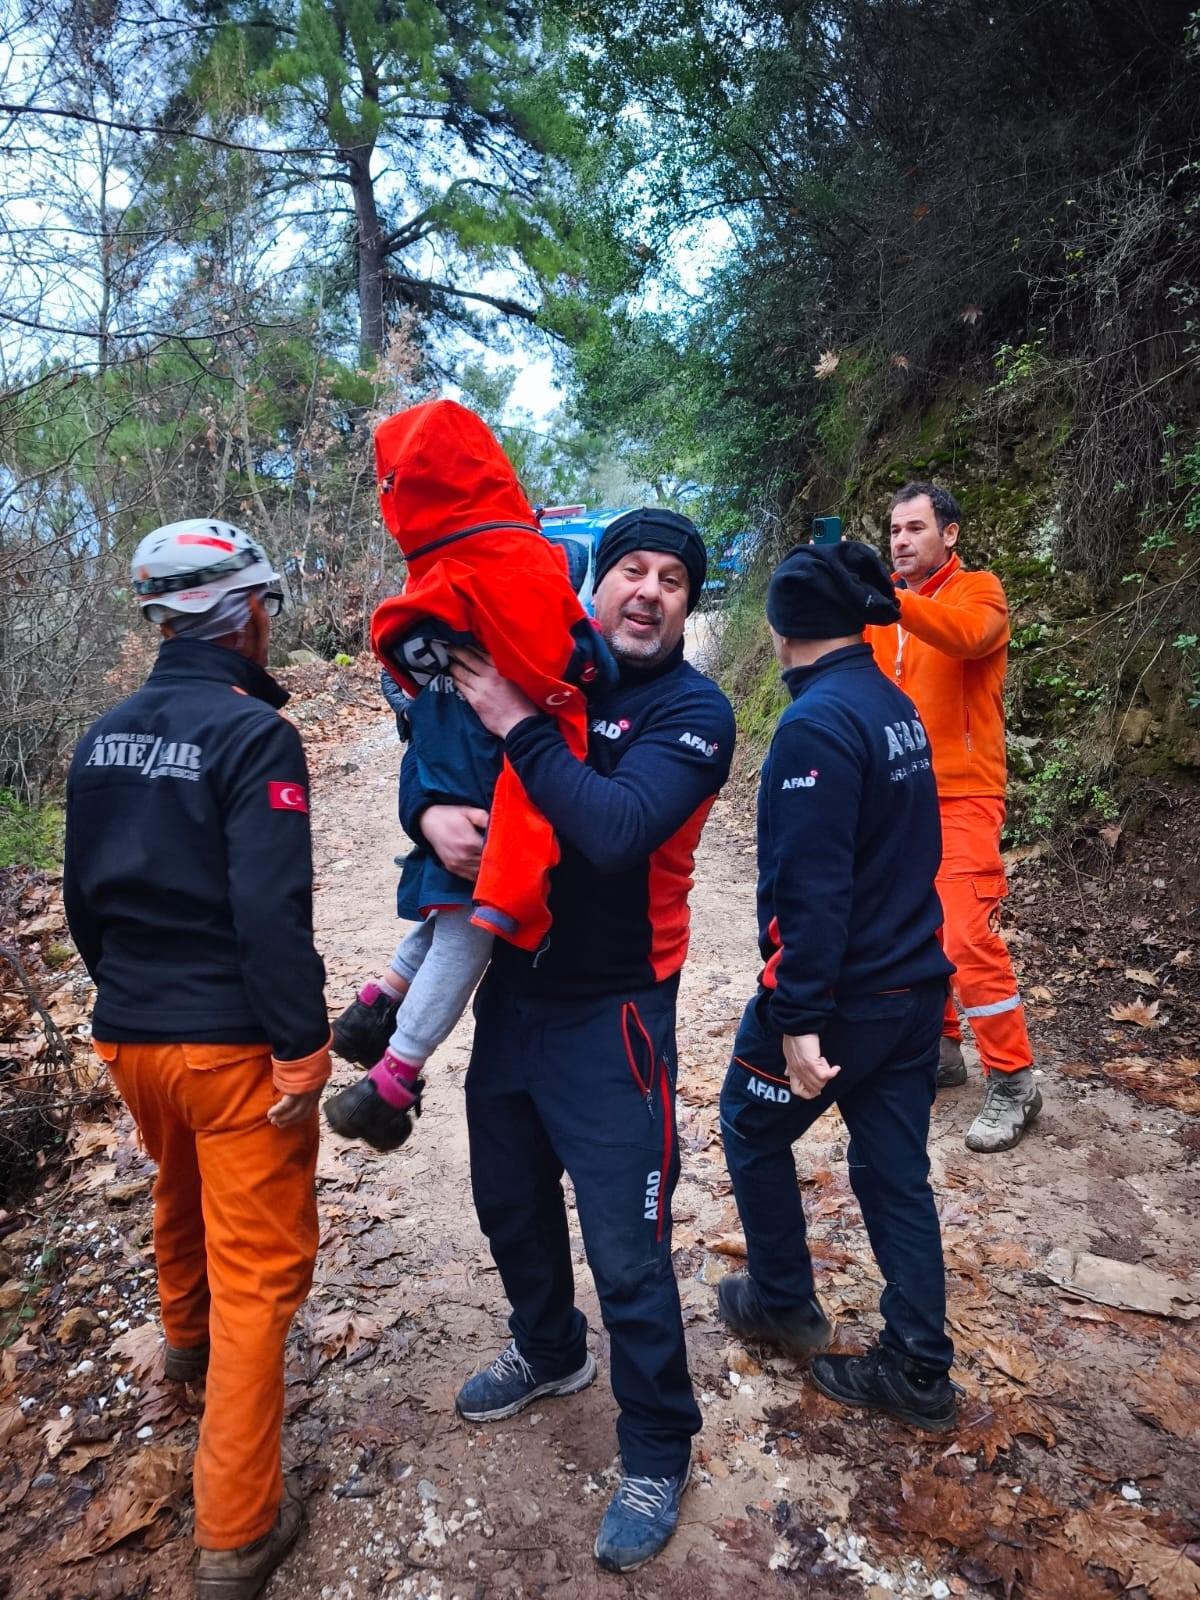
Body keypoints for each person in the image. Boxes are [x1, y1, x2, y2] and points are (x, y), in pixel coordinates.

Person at [421, 508, 735, 1572]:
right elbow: (442, 750)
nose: (648, 591)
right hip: (512, 994)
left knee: (629, 1251)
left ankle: (658, 1443)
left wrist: (517, 724)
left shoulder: (695, 712)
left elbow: (612, 829)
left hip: (616, 1019)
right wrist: (429, 820)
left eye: (673, 580)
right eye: (630, 571)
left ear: (691, 605)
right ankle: (551, 1351)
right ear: (593, 587)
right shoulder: (551, 676)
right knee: (507, 1201)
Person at [63, 520, 330, 1600]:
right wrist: (303, 1046)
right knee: (262, 1277)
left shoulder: (101, 736)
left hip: (129, 1032)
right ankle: (236, 1532)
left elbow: (84, 902)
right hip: (229, 1044)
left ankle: (182, 1345)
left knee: (178, 1181)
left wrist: (131, 994)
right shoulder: (253, 737)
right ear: (247, 612)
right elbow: (272, 914)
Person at [322, 401, 615, 1149]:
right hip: (496, 784)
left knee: (445, 908)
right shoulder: (514, 566)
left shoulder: (428, 580)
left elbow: (410, 699)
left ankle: (377, 1000)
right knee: (474, 927)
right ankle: (394, 1077)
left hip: (447, 761)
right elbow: (574, 659)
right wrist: (594, 666)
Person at [717, 540, 957, 1432]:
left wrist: (797, 1016)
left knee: (749, 1121)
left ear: (780, 627)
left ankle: (781, 1299)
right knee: (896, 1174)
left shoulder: (814, 728)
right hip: (913, 993)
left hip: (852, 999)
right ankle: (920, 1369)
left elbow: (810, 891)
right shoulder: (891, 705)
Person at [866, 483, 1041, 1153]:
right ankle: (941, 1050)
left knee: (965, 935)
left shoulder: (981, 592)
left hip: (964, 795)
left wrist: (890, 600)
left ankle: (1014, 1080)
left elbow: (970, 640)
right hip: (897, 796)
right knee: (915, 929)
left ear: (951, 534)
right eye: (893, 531)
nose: (902, 540)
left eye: (915, 528)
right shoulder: (879, 612)